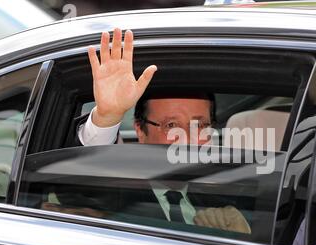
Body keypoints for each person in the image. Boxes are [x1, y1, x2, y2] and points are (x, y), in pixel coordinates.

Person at [51, 28, 251, 234]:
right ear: (140, 129)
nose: (188, 140)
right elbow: (78, 191)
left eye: (200, 125)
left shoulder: (226, 200)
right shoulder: (116, 188)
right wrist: (107, 116)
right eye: (171, 125)